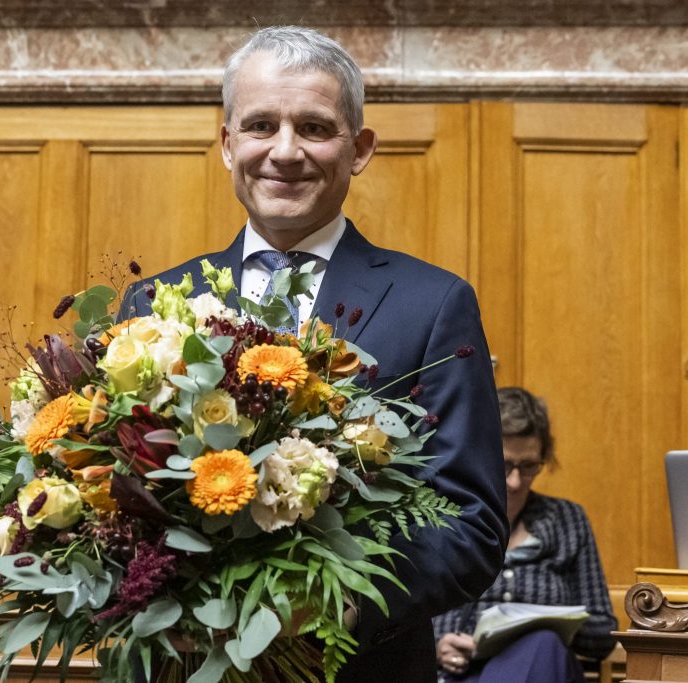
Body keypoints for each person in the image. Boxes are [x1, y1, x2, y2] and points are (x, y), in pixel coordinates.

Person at [119, 25, 508, 683]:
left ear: (359, 149)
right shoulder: (153, 304)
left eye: (314, 128)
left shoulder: (434, 304)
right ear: (227, 143)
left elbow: (471, 524)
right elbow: (115, 490)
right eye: (261, 125)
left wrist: (336, 605)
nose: (285, 151)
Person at [432, 387, 617, 683]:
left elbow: (603, 635)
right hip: (459, 673)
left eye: (529, 466)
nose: (516, 481)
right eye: (504, 465)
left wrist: (546, 623)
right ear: (481, 457)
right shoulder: (444, 516)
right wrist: (437, 646)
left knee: (542, 645)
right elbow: (403, 619)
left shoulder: (568, 520)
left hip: (547, 669)